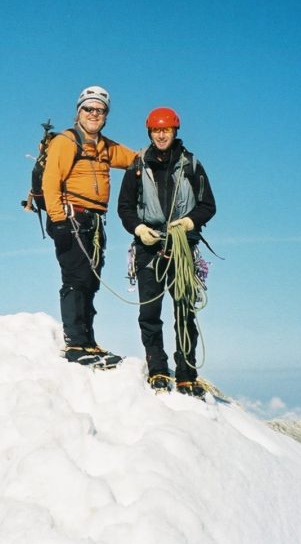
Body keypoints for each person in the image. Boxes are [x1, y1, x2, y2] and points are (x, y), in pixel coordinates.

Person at [117, 107, 216, 395]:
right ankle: (158, 369)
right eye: (157, 130)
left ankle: (187, 373)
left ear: (175, 132)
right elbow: (124, 208)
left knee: (184, 312)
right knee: (150, 312)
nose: (161, 135)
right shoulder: (137, 167)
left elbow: (208, 205)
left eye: (166, 130)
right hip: (149, 248)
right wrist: (138, 229)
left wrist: (189, 221)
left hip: (182, 247)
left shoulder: (191, 165)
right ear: (150, 132)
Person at [43, 86, 137, 367]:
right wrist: (59, 222)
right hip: (71, 218)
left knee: (90, 280)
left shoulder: (105, 147)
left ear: (106, 115)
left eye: (100, 110)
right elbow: (50, 182)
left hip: (94, 222)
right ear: (78, 112)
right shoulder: (65, 142)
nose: (94, 114)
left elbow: (135, 159)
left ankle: (87, 340)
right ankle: (75, 344)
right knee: (75, 279)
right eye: (89, 108)